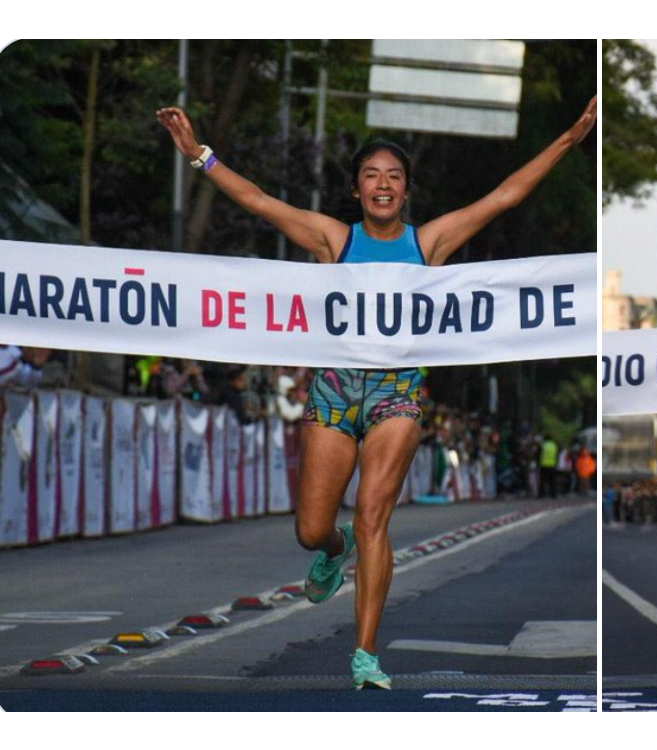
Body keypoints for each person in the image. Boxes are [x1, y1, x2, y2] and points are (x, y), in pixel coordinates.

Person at [157, 96, 595, 689]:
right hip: (335, 393)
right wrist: (198, 155)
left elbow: (504, 196)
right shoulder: (333, 238)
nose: (383, 184)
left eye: (393, 177)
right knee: (313, 529)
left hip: (397, 395)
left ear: (405, 191)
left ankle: (365, 652)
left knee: (372, 517)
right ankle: (331, 554)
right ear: (359, 191)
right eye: (372, 176)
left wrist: (571, 137)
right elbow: (259, 201)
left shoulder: (428, 243)